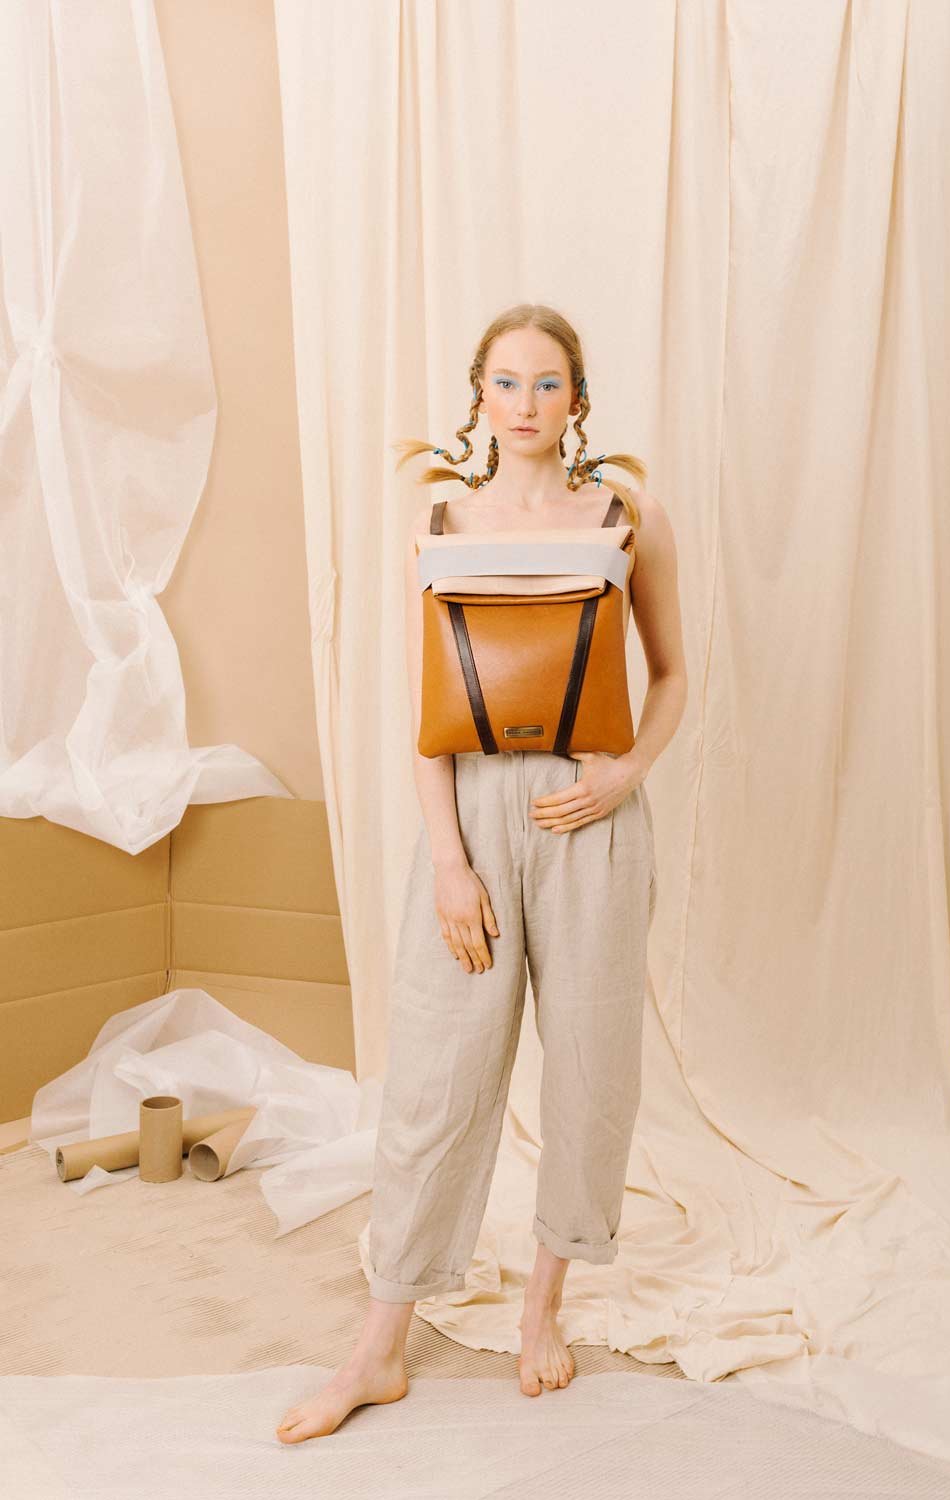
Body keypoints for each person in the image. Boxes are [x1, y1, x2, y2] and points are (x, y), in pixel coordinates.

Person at [277, 303, 687, 1444]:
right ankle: (377, 1348)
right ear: (478, 396)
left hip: (592, 819)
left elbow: (672, 677)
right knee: (435, 1081)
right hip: (472, 815)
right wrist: (450, 863)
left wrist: (624, 775)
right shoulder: (438, 523)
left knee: (590, 1070)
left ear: (577, 399)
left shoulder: (627, 517)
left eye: (547, 383)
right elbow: (429, 716)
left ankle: (543, 1307)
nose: (525, 404)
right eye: (505, 382)